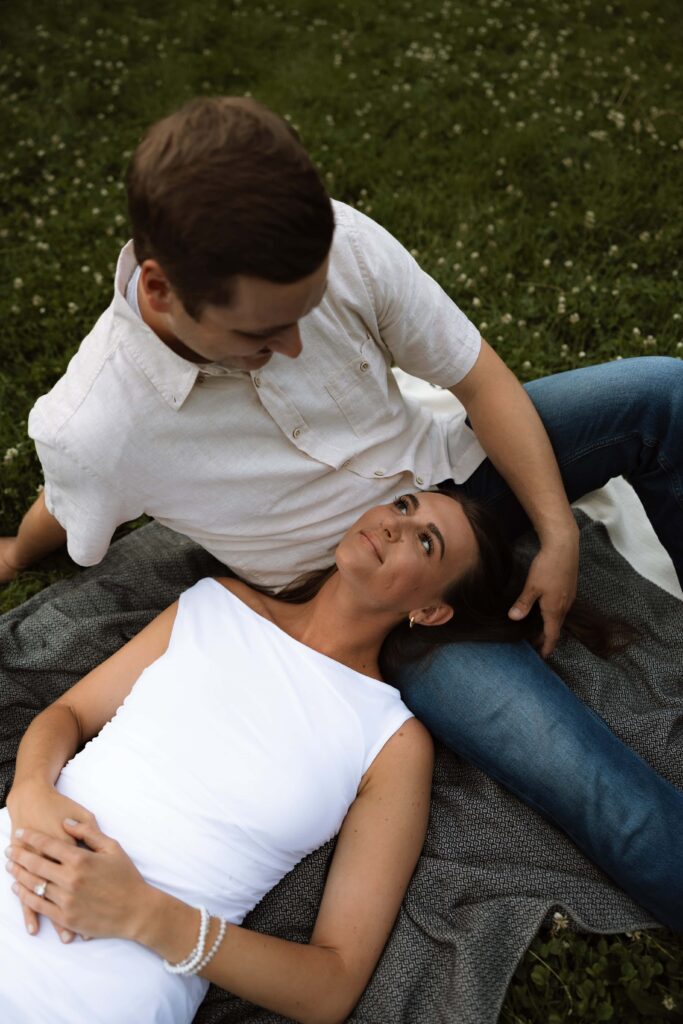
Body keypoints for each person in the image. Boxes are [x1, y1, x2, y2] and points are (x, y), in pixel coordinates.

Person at [1, 95, 682, 906]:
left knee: (662, 393)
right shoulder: (99, 428)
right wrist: (14, 550)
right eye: (264, 334)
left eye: (306, 313)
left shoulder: (339, 242)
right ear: (159, 292)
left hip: (457, 467)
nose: (292, 344)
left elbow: (476, 375)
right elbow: (74, 497)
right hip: (374, 596)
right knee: (601, 794)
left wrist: (555, 534)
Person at [2, 490, 682, 1024]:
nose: (392, 524)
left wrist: (146, 916)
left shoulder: (390, 742)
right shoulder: (215, 604)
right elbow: (68, 714)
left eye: (424, 541)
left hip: (105, 987)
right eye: (403, 505)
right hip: (18, 855)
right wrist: (30, 789)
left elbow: (331, 983)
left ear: (432, 612)